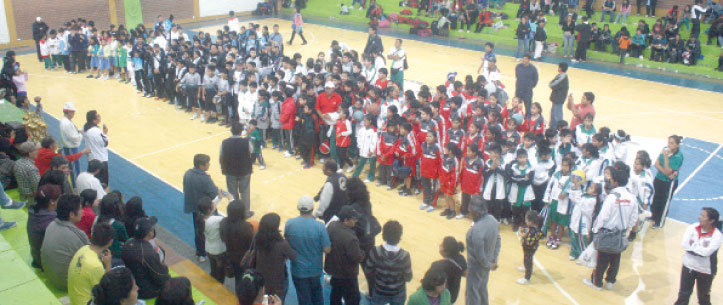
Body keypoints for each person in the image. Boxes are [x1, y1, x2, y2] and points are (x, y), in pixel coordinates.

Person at [583, 161, 638, 290]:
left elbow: (603, 216)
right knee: (615, 258)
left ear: (615, 182)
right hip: (621, 233)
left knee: (601, 259)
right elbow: (634, 218)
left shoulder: (612, 197)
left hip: (606, 232)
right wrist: (626, 228)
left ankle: (596, 283)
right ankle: (610, 282)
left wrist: (595, 230)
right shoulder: (631, 197)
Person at [183, 153, 231, 261]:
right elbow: (214, 194)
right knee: (213, 230)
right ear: (201, 165)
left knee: (198, 230)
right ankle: (215, 252)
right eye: (207, 163)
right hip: (206, 209)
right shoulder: (205, 178)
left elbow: (185, 189)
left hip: (195, 208)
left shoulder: (187, 173)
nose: (209, 165)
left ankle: (200, 253)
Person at [285, 195, 331, 305]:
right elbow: (327, 249)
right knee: (318, 297)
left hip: (298, 271)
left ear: (298, 208)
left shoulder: (290, 224)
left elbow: (286, 244)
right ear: (312, 208)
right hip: (315, 270)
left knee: (304, 299)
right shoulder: (320, 227)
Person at [41, 194, 90, 291]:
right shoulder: (78, 235)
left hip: (50, 275)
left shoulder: (51, 225)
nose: (82, 211)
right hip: (67, 284)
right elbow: (92, 258)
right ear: (71, 214)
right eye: (80, 209)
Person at [673, 207, 722, 305]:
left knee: (703, 297)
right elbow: (684, 244)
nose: (699, 217)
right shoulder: (692, 227)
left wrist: (693, 246)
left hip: (705, 270)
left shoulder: (717, 235)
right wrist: (699, 249)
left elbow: (706, 253)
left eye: (703, 216)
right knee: (683, 295)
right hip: (688, 266)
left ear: (711, 221)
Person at [365, 220, 413, 305]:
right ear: (399, 236)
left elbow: (368, 271)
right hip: (398, 293)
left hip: (379, 291)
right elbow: (408, 277)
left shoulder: (375, 251)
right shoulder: (405, 256)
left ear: (384, 234)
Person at [121, 216, 170, 299]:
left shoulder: (128, 243)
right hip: (147, 291)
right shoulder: (148, 253)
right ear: (150, 233)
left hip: (133, 282)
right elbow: (161, 276)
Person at [465, 197, 501, 305]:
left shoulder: (476, 230)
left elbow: (479, 256)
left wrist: (489, 265)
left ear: (474, 211)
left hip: (476, 267)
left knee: (472, 293)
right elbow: (498, 240)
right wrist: (494, 259)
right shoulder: (493, 220)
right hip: (488, 263)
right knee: (482, 289)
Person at [68, 222, 114, 305]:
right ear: (110, 242)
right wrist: (108, 265)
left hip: (74, 299)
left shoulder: (83, 249)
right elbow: (107, 291)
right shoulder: (96, 266)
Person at [325, 206, 364, 305]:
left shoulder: (332, 225)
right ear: (346, 220)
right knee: (354, 299)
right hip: (347, 274)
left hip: (334, 269)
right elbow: (357, 257)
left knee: (336, 294)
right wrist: (363, 253)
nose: (356, 220)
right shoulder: (350, 238)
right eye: (353, 219)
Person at [255, 213, 297, 302]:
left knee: (263, 300)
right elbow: (294, 256)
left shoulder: (257, 238)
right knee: (277, 301)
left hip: (260, 278)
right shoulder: (281, 244)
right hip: (277, 282)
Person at [220, 122, 254, 217]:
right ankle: (246, 213)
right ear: (241, 131)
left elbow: (221, 156)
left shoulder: (224, 143)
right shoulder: (246, 142)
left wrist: (223, 168)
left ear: (231, 131)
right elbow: (251, 150)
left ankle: (234, 214)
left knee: (232, 192)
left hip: (230, 171)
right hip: (245, 171)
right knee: (245, 192)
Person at [651, 135, 684, 228]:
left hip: (668, 183)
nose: (669, 145)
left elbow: (668, 171)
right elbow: (656, 164)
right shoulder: (666, 150)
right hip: (659, 179)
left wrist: (665, 157)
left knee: (664, 202)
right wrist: (665, 172)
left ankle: (660, 222)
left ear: (677, 145)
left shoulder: (678, 156)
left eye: (671, 143)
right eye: (668, 142)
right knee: (656, 199)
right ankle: (653, 216)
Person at [220, 199, 255, 287]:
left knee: (238, 278)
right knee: (244, 279)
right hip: (243, 259)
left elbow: (222, 238)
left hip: (230, 256)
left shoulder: (223, 222)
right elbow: (251, 245)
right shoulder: (246, 227)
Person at [27, 184, 60, 269]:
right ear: (52, 201)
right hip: (45, 262)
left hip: (36, 256)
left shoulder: (33, 212)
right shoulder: (51, 220)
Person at [430, 236, 467, 304]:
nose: (439, 245)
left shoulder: (439, 265)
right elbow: (466, 273)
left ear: (446, 250)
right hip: (452, 296)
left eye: (441, 245)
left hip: (440, 297)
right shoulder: (461, 259)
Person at [83, 110, 109, 185]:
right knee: (102, 183)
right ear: (94, 120)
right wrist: (105, 133)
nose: (99, 116)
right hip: (100, 160)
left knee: (92, 180)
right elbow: (105, 143)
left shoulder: (86, 127)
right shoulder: (96, 131)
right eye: (97, 115)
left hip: (92, 158)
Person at [517, 210, 544, 284]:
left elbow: (529, 241)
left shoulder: (533, 231)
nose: (525, 221)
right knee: (528, 259)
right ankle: (528, 269)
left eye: (526, 219)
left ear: (531, 221)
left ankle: (527, 278)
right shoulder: (533, 228)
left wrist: (522, 236)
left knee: (527, 260)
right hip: (530, 248)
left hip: (529, 248)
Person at [60, 102, 84, 181]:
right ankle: (76, 187)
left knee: (75, 168)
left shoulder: (66, 121)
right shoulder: (67, 123)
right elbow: (73, 137)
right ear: (68, 112)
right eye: (73, 112)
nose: (74, 114)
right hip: (71, 148)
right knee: (74, 169)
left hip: (70, 147)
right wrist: (81, 135)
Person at [13, 141, 41, 206]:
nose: (37, 152)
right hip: (33, 200)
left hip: (23, 197)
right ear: (30, 153)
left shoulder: (17, 163)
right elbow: (37, 187)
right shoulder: (31, 168)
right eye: (35, 150)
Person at [548, 62, 569, 129]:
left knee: (557, 116)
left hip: (558, 99)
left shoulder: (562, 77)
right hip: (557, 99)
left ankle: (560, 129)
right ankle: (552, 128)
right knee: (553, 114)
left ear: (560, 68)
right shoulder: (560, 75)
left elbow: (552, 84)